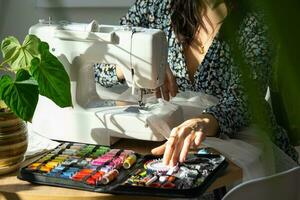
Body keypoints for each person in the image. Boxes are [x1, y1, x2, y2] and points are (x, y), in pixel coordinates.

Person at [94, 0, 299, 166]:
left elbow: (246, 97)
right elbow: (99, 67)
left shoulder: (259, 18)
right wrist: (140, 60)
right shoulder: (154, 7)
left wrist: (201, 122)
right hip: (170, 139)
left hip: (242, 141)